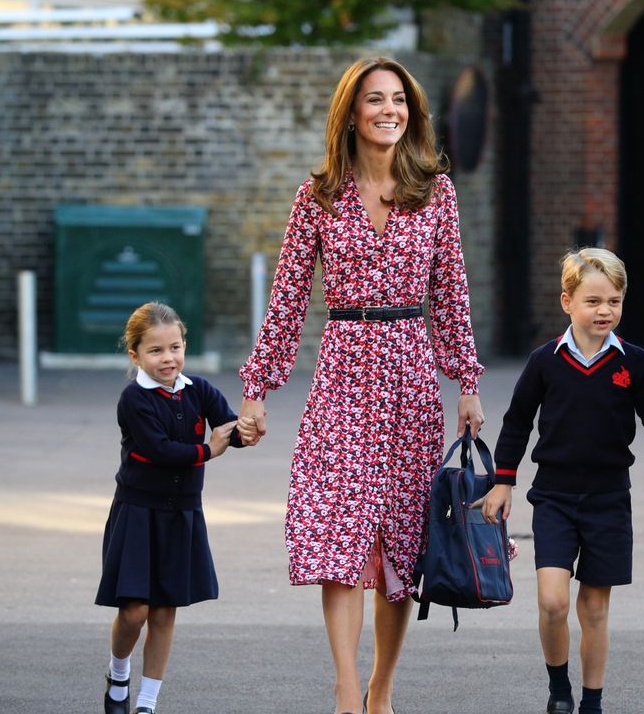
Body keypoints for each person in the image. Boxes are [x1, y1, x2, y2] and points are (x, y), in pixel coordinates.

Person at [234, 56, 485, 714]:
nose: (388, 111)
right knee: (338, 534)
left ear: (412, 111)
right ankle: (347, 692)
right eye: (374, 100)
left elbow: (452, 296)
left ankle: (382, 690)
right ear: (351, 112)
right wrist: (257, 386)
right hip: (343, 372)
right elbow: (287, 302)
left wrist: (466, 380)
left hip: (410, 376)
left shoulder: (436, 191)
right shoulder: (317, 196)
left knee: (402, 545)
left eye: (398, 100)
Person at [480, 248, 644, 714]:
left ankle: (592, 702)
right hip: (554, 498)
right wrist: (503, 482)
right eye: (593, 301)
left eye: (614, 302)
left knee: (595, 609)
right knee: (554, 601)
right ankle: (559, 690)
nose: (605, 311)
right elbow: (517, 422)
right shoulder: (545, 361)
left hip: (609, 500)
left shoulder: (633, 362)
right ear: (567, 302)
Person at [97, 301, 245, 714]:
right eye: (156, 351)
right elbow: (159, 451)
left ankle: (147, 702)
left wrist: (246, 429)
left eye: (175, 347)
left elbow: (228, 423)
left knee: (164, 612)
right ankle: (118, 674)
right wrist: (209, 450)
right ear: (135, 355)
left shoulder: (198, 390)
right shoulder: (134, 399)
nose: (168, 359)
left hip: (182, 513)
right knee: (134, 611)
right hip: (138, 512)